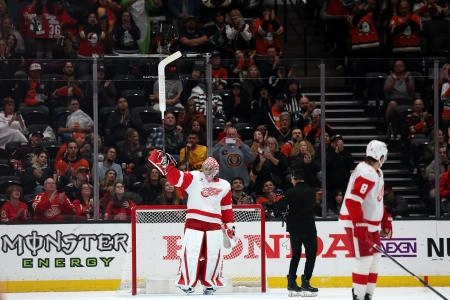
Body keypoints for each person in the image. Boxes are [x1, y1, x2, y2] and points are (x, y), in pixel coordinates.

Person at [147, 150, 234, 295]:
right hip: (194, 222)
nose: (207, 171)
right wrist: (168, 168)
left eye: (210, 169)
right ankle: (187, 282)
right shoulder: (194, 177)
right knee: (190, 253)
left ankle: (210, 282)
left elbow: (227, 209)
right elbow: (176, 179)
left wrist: (230, 227)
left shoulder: (224, 185)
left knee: (213, 255)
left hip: (214, 225)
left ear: (216, 170)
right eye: (205, 168)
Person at [338, 140, 393, 300]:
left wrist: (385, 220)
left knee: (375, 258)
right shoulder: (366, 172)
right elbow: (353, 201)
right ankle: (359, 296)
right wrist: (360, 225)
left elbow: (377, 200)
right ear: (380, 156)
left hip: (371, 224)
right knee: (364, 259)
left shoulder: (377, 172)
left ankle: (368, 295)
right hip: (357, 221)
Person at [278, 168, 318, 297]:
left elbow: (280, 208)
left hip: (294, 228)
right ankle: (306, 281)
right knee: (311, 255)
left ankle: (291, 282)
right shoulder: (312, 192)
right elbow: (314, 207)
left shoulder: (290, 192)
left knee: (296, 255)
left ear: (294, 179)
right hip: (308, 227)